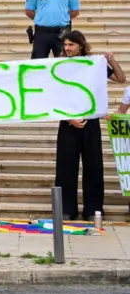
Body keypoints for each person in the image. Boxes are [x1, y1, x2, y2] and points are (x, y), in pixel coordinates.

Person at [55, 31, 124, 220]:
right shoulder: (60, 65)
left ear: (80, 45)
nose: (67, 48)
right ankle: (66, 210)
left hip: (91, 121)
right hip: (69, 122)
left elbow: (121, 79)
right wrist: (70, 118)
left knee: (93, 166)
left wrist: (111, 61)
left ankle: (93, 209)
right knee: (66, 167)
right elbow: (54, 96)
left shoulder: (94, 64)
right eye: (65, 45)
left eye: (71, 45)